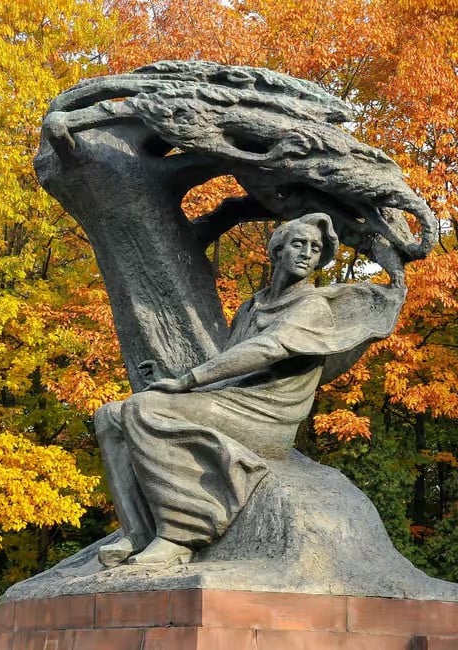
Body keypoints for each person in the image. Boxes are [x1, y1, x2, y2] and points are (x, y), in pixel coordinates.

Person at [94, 212, 393, 567]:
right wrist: (173, 384)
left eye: (315, 249)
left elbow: (267, 349)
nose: (306, 254)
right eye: (298, 244)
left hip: (267, 417)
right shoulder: (253, 305)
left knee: (141, 408)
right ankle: (138, 531)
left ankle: (179, 536)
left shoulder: (312, 306)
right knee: (109, 415)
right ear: (277, 250)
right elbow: (231, 366)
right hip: (232, 400)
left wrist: (187, 381)